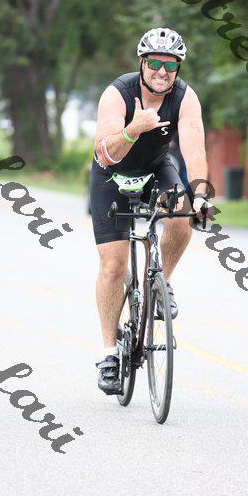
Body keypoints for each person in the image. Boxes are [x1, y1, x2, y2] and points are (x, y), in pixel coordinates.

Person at [90, 27, 211, 394]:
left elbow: (194, 151)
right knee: (113, 267)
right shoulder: (118, 94)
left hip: (156, 169)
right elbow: (104, 153)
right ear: (142, 63)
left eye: (170, 66)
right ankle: (109, 355)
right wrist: (134, 129)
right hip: (112, 175)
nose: (162, 72)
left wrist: (200, 194)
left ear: (177, 68)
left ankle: (162, 284)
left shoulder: (184, 97)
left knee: (182, 213)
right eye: (155, 63)